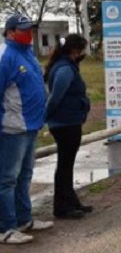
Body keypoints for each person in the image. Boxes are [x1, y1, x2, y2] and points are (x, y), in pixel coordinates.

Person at [0, 14, 53, 245]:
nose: (28, 33)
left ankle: (23, 219)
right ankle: (6, 228)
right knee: (7, 179)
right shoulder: (5, 57)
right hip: (13, 129)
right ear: (10, 32)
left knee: (25, 176)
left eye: (30, 29)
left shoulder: (28, 53)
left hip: (32, 126)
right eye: (23, 29)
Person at [44, 34, 92, 219]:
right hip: (65, 123)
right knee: (65, 165)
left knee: (67, 165)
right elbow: (55, 98)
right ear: (74, 50)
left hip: (68, 121)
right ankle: (62, 207)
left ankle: (71, 201)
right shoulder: (65, 69)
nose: (83, 53)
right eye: (82, 49)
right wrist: (45, 117)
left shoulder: (66, 66)